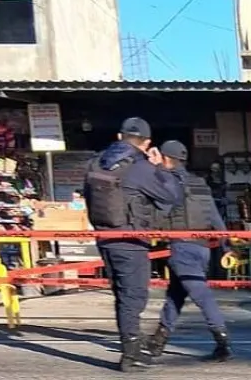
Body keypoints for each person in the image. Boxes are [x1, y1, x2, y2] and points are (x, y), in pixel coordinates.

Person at [83, 117, 184, 372]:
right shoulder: (141, 168)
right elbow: (171, 197)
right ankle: (130, 355)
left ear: (119, 137)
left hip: (105, 238)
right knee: (133, 297)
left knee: (121, 295)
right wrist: (161, 169)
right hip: (131, 240)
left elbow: (87, 196)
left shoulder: (96, 161)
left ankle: (133, 347)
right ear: (147, 143)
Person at [146, 140, 234, 362]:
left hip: (182, 246)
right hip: (202, 248)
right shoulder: (199, 184)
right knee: (175, 294)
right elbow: (216, 218)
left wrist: (153, 167)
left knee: (201, 295)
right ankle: (159, 339)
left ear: (166, 158)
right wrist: (226, 247)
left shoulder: (167, 182)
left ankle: (222, 340)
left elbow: (156, 204)